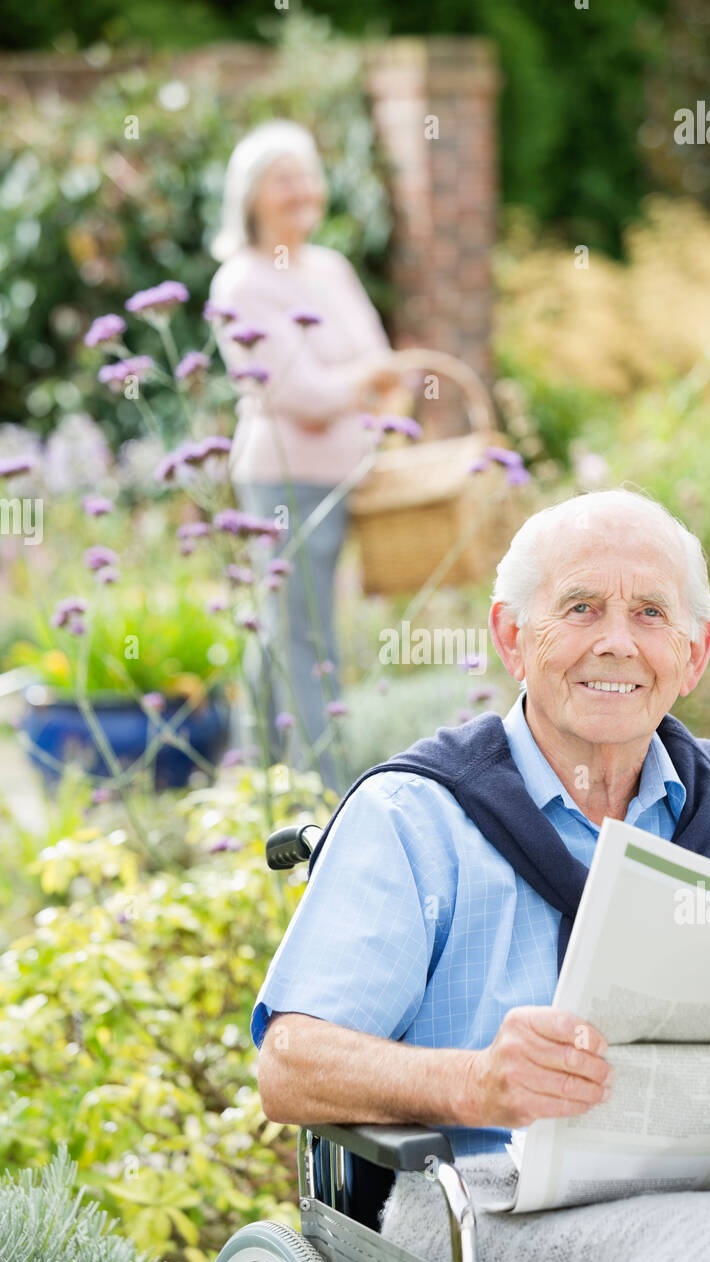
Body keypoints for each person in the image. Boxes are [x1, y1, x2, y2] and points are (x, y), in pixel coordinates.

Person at [250, 487, 710, 1262]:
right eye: (581, 608)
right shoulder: (416, 816)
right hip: (495, 1214)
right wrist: (476, 1083)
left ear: (696, 653)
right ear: (513, 637)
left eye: (651, 613)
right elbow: (289, 1065)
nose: (617, 642)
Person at [208, 120, 400, 789]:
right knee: (307, 642)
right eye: (282, 178)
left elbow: (381, 367)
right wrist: (358, 382)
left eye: (307, 174)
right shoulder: (241, 282)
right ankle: (328, 792)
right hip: (285, 484)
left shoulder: (332, 269)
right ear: (250, 197)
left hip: (351, 476)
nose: (301, 190)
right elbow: (304, 395)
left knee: (281, 632)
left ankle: (247, 780)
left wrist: (368, 393)